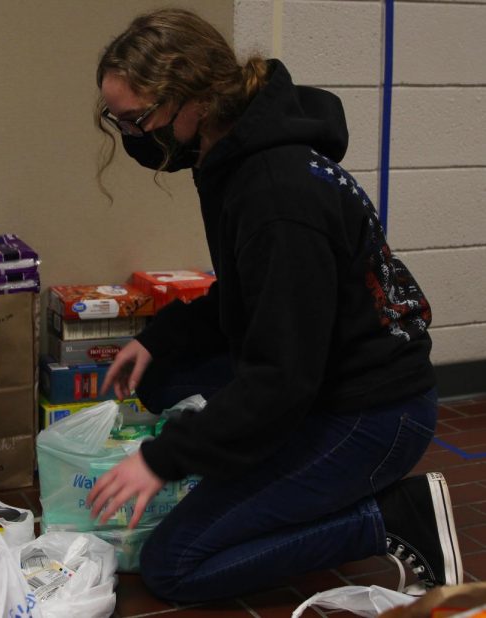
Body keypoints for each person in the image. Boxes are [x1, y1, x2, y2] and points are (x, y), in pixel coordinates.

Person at [86, 8, 461, 603]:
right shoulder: (227, 155)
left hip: (371, 415)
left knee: (174, 566)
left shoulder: (275, 194)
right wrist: (156, 338)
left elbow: (281, 380)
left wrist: (161, 460)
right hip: (325, 379)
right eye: (120, 121)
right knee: (164, 373)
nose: (133, 136)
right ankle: (248, 463)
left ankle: (392, 518)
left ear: (196, 99)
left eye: (137, 121)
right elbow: (248, 297)